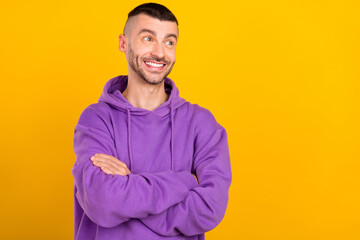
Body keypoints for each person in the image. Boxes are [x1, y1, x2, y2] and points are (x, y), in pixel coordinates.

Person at [72, 3, 232, 240]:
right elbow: (102, 202)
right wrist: (183, 183)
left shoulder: (201, 123)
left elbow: (209, 209)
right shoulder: (96, 119)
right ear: (123, 43)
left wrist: (129, 184)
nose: (160, 52)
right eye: (148, 38)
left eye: (169, 42)